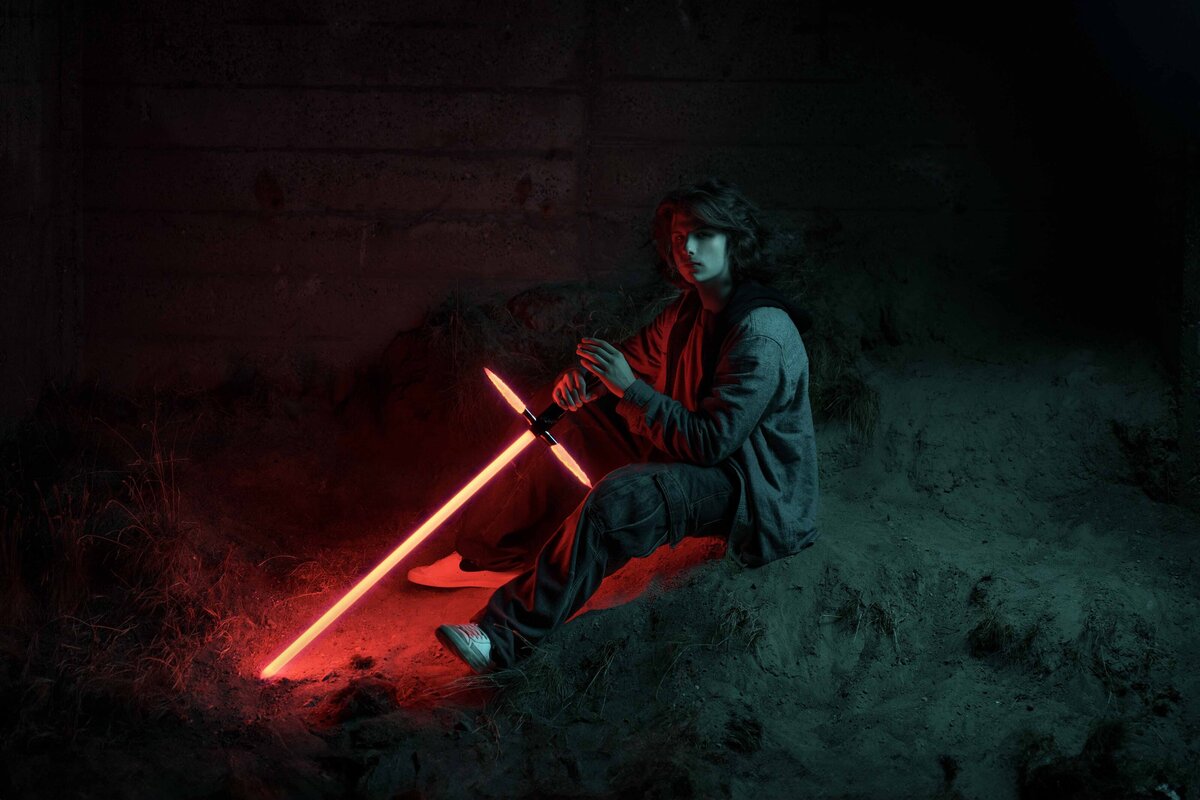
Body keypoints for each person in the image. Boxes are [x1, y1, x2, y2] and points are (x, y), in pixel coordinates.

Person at [428, 178, 820, 673]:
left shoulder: (761, 333)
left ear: (735, 241)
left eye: (704, 235)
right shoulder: (686, 313)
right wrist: (584, 384)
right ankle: (495, 554)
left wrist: (628, 387)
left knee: (619, 500)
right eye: (680, 238)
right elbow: (632, 362)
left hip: (748, 487)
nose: (689, 249)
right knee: (563, 421)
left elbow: (711, 444)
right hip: (694, 452)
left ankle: (501, 638)